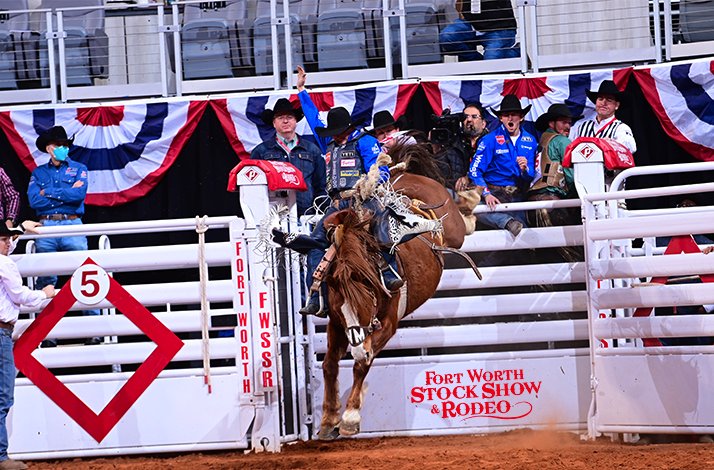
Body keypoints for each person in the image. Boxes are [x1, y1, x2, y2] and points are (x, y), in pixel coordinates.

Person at [288, 66, 401, 316]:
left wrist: (372, 182)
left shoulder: (365, 141)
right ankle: (316, 296)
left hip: (362, 200)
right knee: (315, 244)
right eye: (334, 134)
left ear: (347, 130)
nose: (336, 137)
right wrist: (301, 91)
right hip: (336, 204)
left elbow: (381, 168)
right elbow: (313, 117)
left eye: (339, 133)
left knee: (381, 223)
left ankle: (389, 270)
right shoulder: (328, 143)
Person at [27, 126, 100, 346]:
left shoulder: (79, 168)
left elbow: (78, 195)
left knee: (85, 276)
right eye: (59, 145)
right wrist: (63, 196)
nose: (63, 149)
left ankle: (93, 331)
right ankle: (47, 334)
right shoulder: (38, 173)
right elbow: (34, 201)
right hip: (46, 227)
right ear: (50, 149)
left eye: (65, 145)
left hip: (72, 224)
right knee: (46, 280)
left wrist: (47, 192)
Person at [0, 222, 55, 470]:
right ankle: (1, 457)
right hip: (1, 331)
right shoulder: (4, 264)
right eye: (4, 239)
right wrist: (45, 294)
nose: (9, 243)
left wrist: (19, 228)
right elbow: (22, 297)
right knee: (3, 395)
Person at [468, 94, 536, 238]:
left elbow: (531, 175)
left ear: (521, 117)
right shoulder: (489, 140)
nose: (510, 119)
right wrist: (486, 194)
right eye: (506, 115)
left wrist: (525, 170)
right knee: (474, 209)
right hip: (495, 195)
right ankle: (505, 221)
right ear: (500, 118)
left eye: (514, 115)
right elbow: (474, 171)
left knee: (525, 240)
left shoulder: (530, 141)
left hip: (518, 196)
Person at [251, 98, 327, 217]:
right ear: (274, 123)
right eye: (280, 118)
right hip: (273, 215)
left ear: (296, 121)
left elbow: (321, 185)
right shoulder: (261, 151)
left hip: (307, 214)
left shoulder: (312, 150)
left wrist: (321, 213)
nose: (285, 121)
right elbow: (254, 188)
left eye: (289, 117)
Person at [570, 80, 637, 154]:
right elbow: (572, 149)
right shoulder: (583, 127)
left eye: (609, 100)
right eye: (600, 99)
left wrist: (611, 144)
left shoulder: (621, 128)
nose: (604, 103)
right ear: (596, 103)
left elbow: (630, 148)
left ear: (616, 105)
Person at [439, 0, 519, 61]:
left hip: (499, 26)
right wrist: (461, 13)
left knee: (492, 63)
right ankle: (480, 63)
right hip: (471, 22)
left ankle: (517, 54)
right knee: (447, 37)